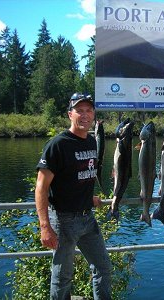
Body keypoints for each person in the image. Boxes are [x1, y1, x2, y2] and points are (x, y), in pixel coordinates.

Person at [35, 92, 112, 300]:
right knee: (62, 277)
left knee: (103, 268)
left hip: (88, 219)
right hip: (63, 221)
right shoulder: (57, 145)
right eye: (79, 111)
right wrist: (45, 226)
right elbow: (41, 188)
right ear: (70, 114)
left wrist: (91, 198)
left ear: (94, 114)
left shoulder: (91, 142)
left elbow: (80, 176)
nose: (85, 115)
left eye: (89, 110)